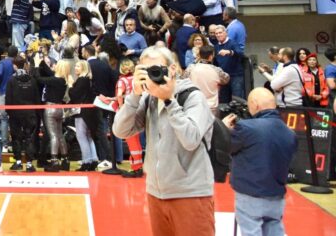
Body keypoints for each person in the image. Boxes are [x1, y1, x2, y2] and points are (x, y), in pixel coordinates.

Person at [113, 45, 216, 236]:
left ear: (172, 69)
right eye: (146, 71)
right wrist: (134, 95)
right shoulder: (149, 99)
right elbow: (120, 130)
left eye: (156, 69)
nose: (152, 75)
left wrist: (169, 101)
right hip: (156, 192)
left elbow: (191, 139)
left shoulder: (193, 96)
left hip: (190, 193)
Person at [223, 88, 297, 236]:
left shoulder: (246, 128)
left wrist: (224, 129)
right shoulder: (290, 133)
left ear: (255, 104)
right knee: (275, 231)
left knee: (251, 231)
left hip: (250, 194)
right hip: (276, 196)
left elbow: (227, 147)